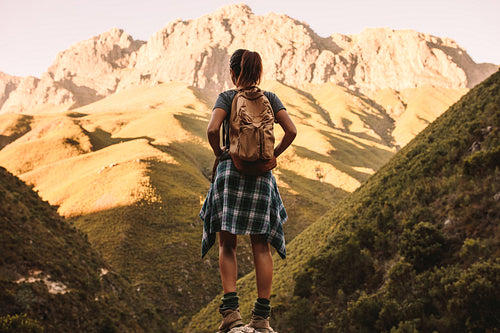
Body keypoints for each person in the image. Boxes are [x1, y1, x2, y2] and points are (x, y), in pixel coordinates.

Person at [200, 49, 297, 333]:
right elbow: (291, 130)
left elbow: (211, 129)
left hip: (231, 174)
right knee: (261, 247)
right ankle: (261, 319)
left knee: (227, 245)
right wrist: (273, 155)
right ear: (259, 72)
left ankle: (231, 314)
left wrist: (222, 153)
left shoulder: (227, 98)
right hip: (262, 177)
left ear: (233, 73)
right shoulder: (271, 97)